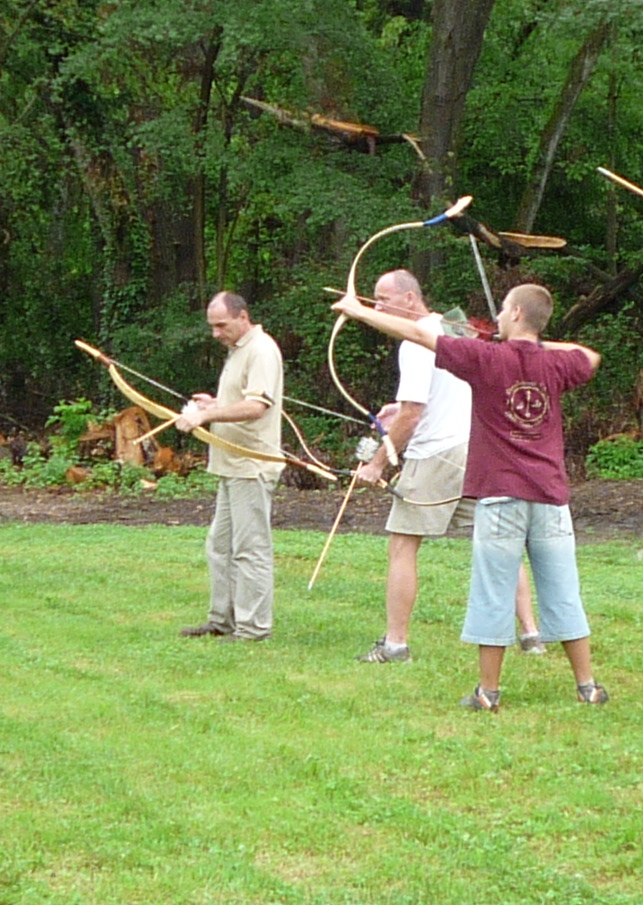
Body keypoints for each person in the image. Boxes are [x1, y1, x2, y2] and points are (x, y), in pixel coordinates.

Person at [332, 282, 606, 711]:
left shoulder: (486, 358)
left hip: (501, 495)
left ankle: (488, 693)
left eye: (503, 310)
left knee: (492, 593)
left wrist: (360, 311)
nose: (496, 317)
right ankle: (588, 687)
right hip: (550, 496)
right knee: (564, 590)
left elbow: (420, 333)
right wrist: (533, 343)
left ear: (516, 314)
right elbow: (590, 356)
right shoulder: (553, 362)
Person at [354, 269, 544, 663]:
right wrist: (398, 410)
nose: (377, 307)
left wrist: (376, 463)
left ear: (410, 299)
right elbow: (439, 394)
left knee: (403, 545)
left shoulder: (415, 340)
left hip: (436, 455)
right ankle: (531, 635)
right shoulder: (453, 327)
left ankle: (395, 645)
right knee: (499, 543)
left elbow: (413, 413)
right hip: (475, 450)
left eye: (383, 298)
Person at [176, 292, 284, 642]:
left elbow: (256, 406)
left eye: (221, 325)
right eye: (212, 326)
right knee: (220, 545)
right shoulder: (239, 349)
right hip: (231, 465)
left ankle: (253, 627)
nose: (216, 333)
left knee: (250, 548)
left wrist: (205, 416)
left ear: (243, 317)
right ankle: (222, 619)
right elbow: (241, 399)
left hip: (252, 465)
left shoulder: (261, 349)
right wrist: (214, 404)